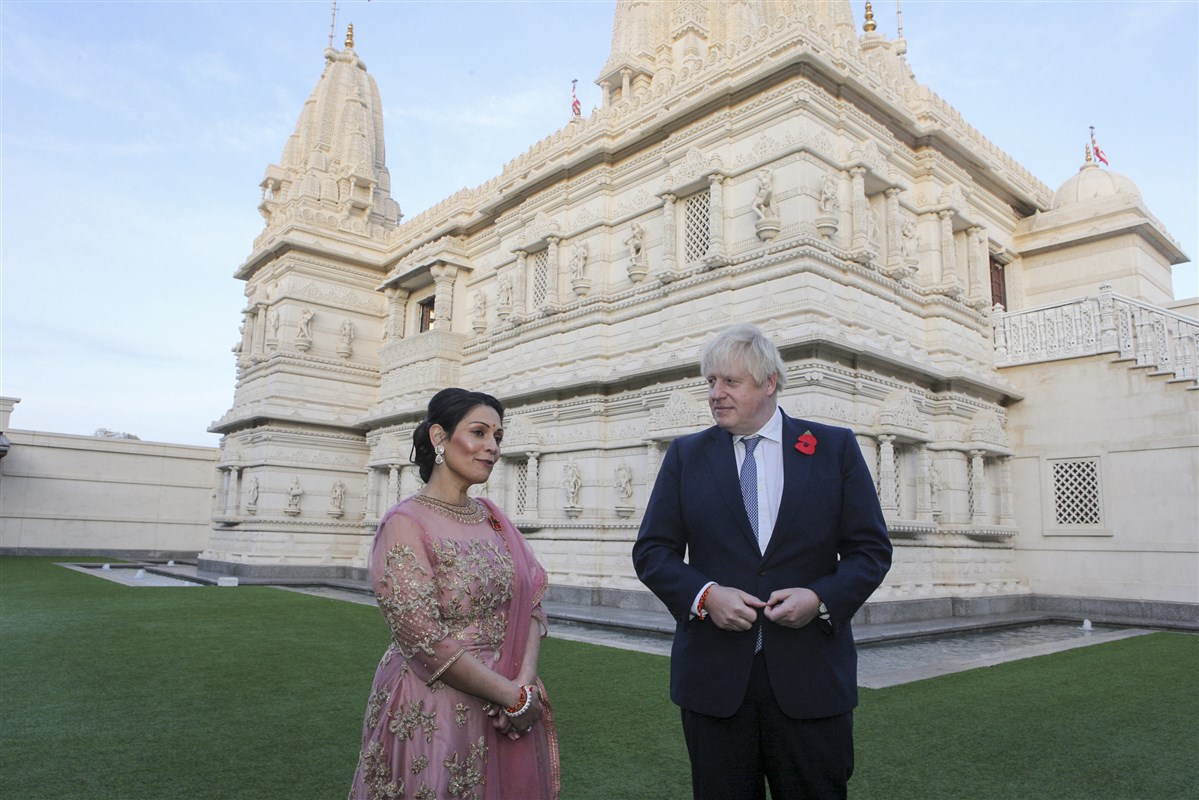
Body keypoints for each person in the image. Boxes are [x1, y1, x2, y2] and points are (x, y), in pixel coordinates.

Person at [632, 324, 892, 800]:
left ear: (769, 382)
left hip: (811, 678)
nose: (716, 394)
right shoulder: (686, 456)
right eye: (711, 382)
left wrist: (819, 597)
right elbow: (652, 552)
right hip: (714, 683)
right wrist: (706, 596)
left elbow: (871, 551)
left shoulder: (833, 448)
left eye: (730, 382)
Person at [348, 388, 560, 800]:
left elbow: (531, 599)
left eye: (497, 436)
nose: (492, 447)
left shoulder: (494, 519)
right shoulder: (405, 523)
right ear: (439, 437)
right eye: (478, 432)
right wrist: (510, 695)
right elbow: (421, 636)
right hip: (436, 703)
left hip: (507, 700)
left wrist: (523, 685)